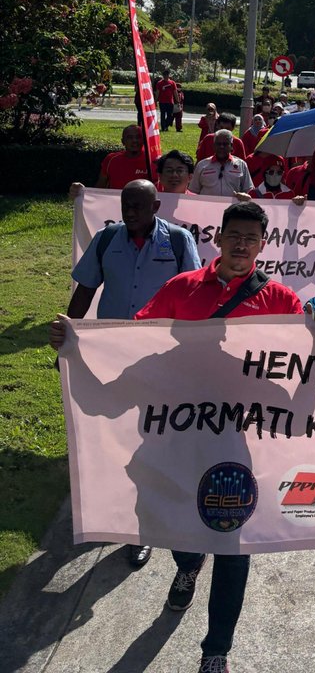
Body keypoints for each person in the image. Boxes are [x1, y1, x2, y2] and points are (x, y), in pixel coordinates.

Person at [133, 203, 315, 673]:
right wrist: (77, 340)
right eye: (233, 236)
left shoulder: (280, 300)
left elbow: (305, 352)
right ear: (218, 239)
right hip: (178, 433)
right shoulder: (181, 288)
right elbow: (137, 336)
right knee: (177, 522)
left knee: (232, 543)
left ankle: (216, 648)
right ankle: (186, 562)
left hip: (240, 442)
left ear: (262, 245)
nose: (241, 245)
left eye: (250, 238)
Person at [52, 179, 201, 568]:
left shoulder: (180, 241)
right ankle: (107, 512)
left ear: (156, 208)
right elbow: (84, 291)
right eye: (125, 204)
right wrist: (69, 340)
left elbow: (195, 295)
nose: (129, 211)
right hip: (112, 356)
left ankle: (141, 530)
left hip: (159, 358)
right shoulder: (107, 240)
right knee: (110, 433)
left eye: (138, 205)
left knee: (147, 440)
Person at [190, 130, 253, 196]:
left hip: (232, 206)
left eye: (225, 144)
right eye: (218, 144)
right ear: (214, 146)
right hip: (207, 205)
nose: (221, 147)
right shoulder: (202, 165)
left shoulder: (241, 165)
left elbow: (248, 190)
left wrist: (245, 195)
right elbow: (193, 191)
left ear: (231, 146)